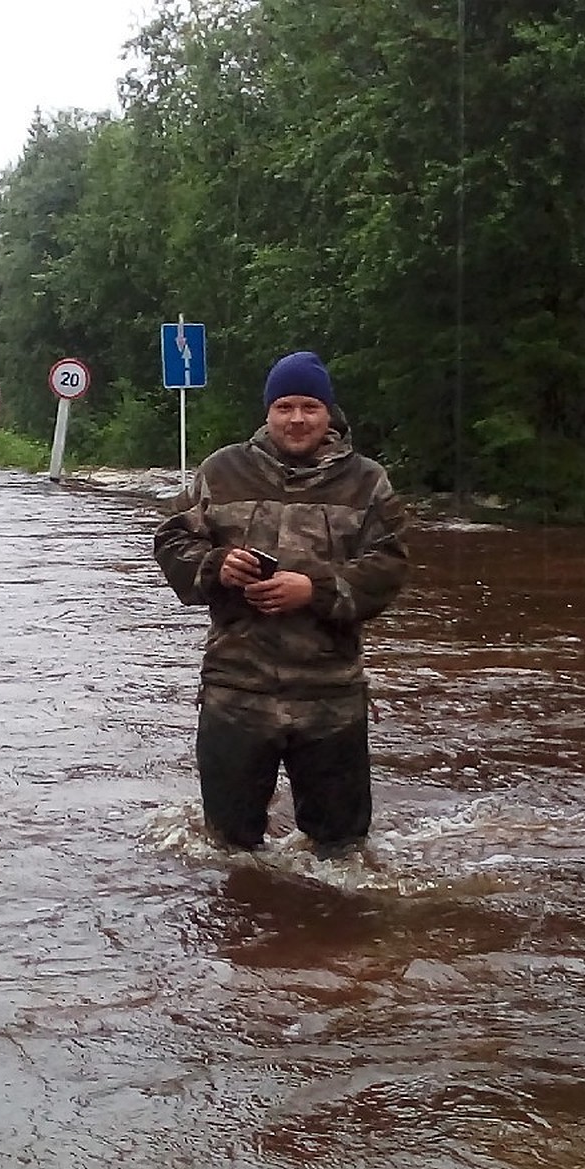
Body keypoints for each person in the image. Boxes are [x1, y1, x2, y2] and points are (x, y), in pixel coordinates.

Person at [153, 350, 409, 857]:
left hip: (329, 698)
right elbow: (171, 540)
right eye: (285, 406)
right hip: (236, 692)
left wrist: (314, 590)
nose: (296, 419)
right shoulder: (222, 471)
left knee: (342, 854)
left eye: (309, 407)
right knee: (228, 851)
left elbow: (390, 566)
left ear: (328, 413)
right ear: (268, 413)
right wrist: (217, 566)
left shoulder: (366, 481)